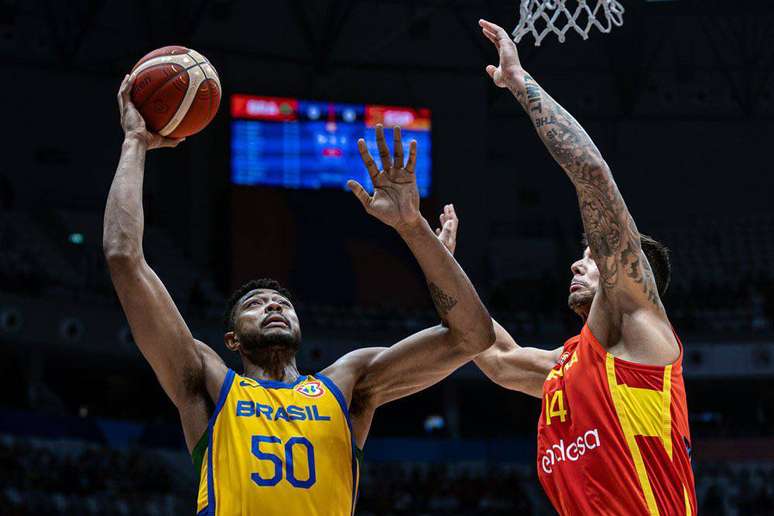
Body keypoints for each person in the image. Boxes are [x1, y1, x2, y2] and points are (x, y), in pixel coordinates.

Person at [104, 76, 495, 516]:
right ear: (231, 339)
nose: (273, 305)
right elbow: (124, 259)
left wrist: (413, 228)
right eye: (256, 305)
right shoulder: (207, 382)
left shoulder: (348, 383)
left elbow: (472, 337)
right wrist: (136, 142)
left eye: (282, 304)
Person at [440, 19, 696, 516]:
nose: (578, 265)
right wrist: (442, 264)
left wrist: (520, 82)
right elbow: (491, 355)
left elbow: (592, 177)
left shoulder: (640, 331)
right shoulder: (568, 366)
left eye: (592, 257)